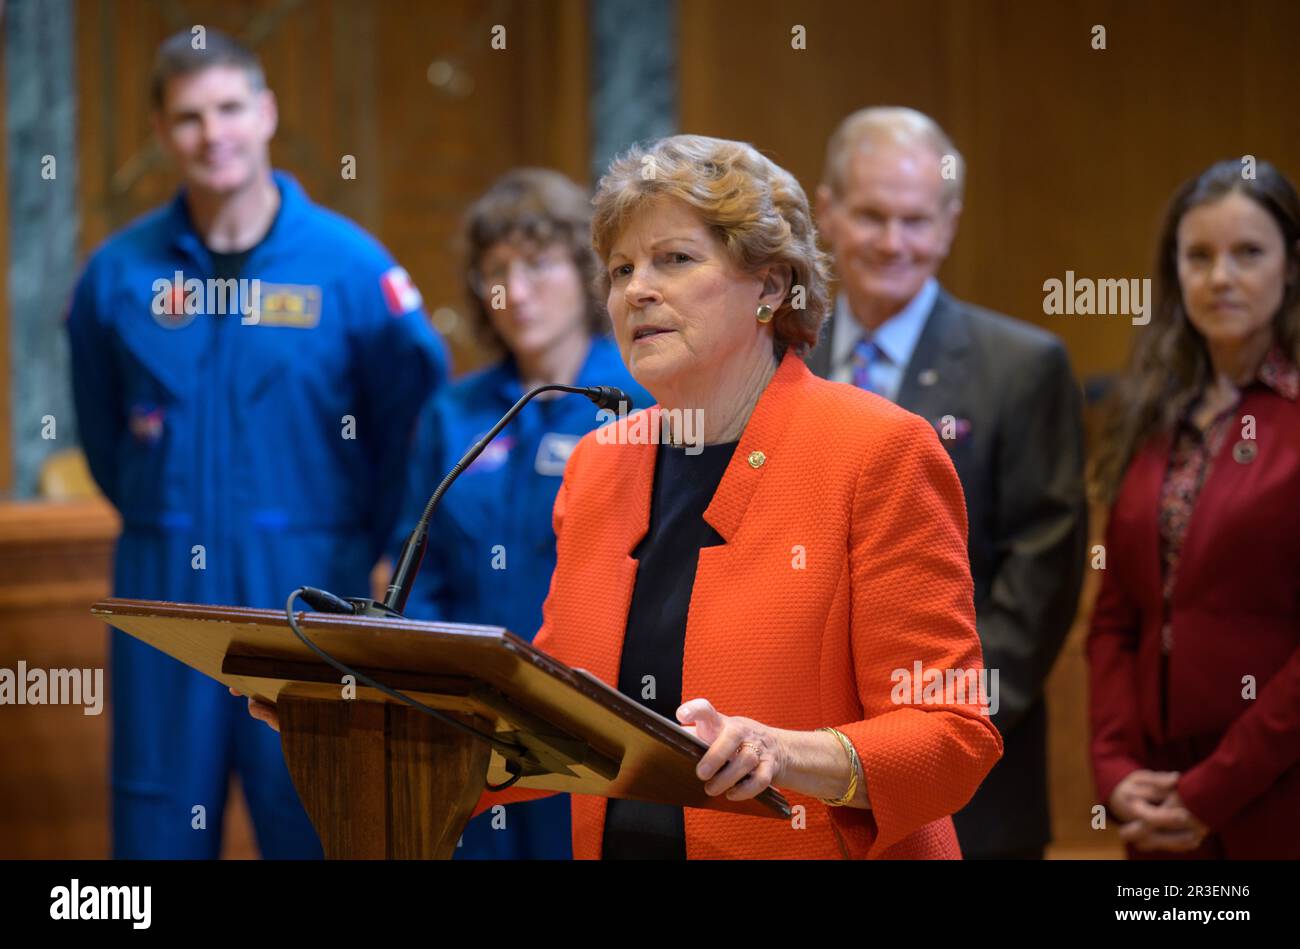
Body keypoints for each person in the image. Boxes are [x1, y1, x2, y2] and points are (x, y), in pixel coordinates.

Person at [247, 134, 1003, 860]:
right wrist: (369, 718)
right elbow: (549, 719)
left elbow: (952, 732)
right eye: (619, 269)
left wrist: (789, 753)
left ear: (770, 285)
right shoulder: (600, 463)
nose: (637, 289)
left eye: (674, 259)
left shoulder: (877, 450)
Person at [67, 29, 447, 858]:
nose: (215, 133)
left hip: (310, 590)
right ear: (164, 134)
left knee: (313, 811)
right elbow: (103, 434)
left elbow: (416, 426)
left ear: (268, 111)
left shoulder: (349, 268)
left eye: (231, 107)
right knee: (157, 821)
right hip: (162, 586)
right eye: (190, 116)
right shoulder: (118, 277)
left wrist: (370, 547)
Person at [808, 107, 1087, 859]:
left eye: (916, 220)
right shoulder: (781, 358)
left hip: (973, 777)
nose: (894, 243)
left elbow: (1043, 568)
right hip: (809, 767)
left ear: (950, 221)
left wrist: (941, 730)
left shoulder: (1023, 367)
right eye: (871, 215)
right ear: (827, 211)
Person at [392, 168, 650, 859]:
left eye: (538, 264)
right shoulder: (457, 410)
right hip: (471, 722)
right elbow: (421, 564)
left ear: (588, 273)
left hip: (595, 720)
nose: (516, 290)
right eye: (494, 271)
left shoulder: (639, 398)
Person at [1088, 159, 1300, 859]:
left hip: (1273, 790)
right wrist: (1115, 767)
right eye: (1199, 256)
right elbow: (1118, 613)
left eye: (1248, 253)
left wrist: (1212, 790)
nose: (1220, 277)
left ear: (1289, 266)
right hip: (1156, 796)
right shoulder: (1153, 414)